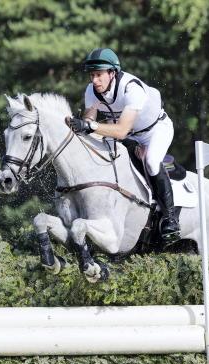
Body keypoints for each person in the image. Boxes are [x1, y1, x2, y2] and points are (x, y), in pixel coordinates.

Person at [67, 47, 180, 242]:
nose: (94, 80)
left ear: (112, 73)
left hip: (155, 131)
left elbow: (120, 130)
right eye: (92, 75)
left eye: (99, 75)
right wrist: (82, 125)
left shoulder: (131, 89)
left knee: (151, 161)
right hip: (130, 135)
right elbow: (90, 117)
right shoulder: (91, 90)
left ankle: (170, 218)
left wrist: (91, 126)